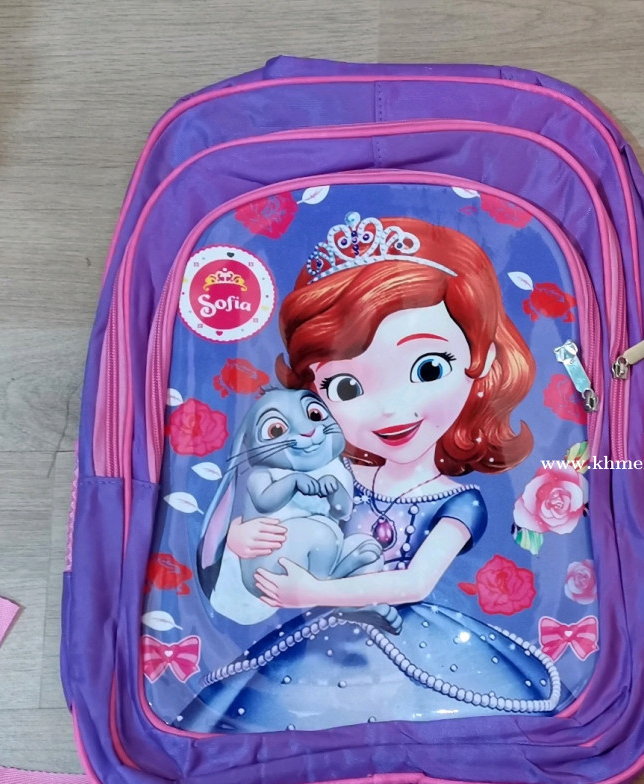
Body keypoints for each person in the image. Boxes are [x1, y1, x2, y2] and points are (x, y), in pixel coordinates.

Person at [180, 213, 559, 732]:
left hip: (418, 645)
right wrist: (243, 539)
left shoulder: (459, 501)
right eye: (347, 387)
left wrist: (312, 594)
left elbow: (415, 583)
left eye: (428, 368)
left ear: (483, 361)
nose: (390, 410)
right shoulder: (338, 476)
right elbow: (286, 526)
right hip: (319, 647)